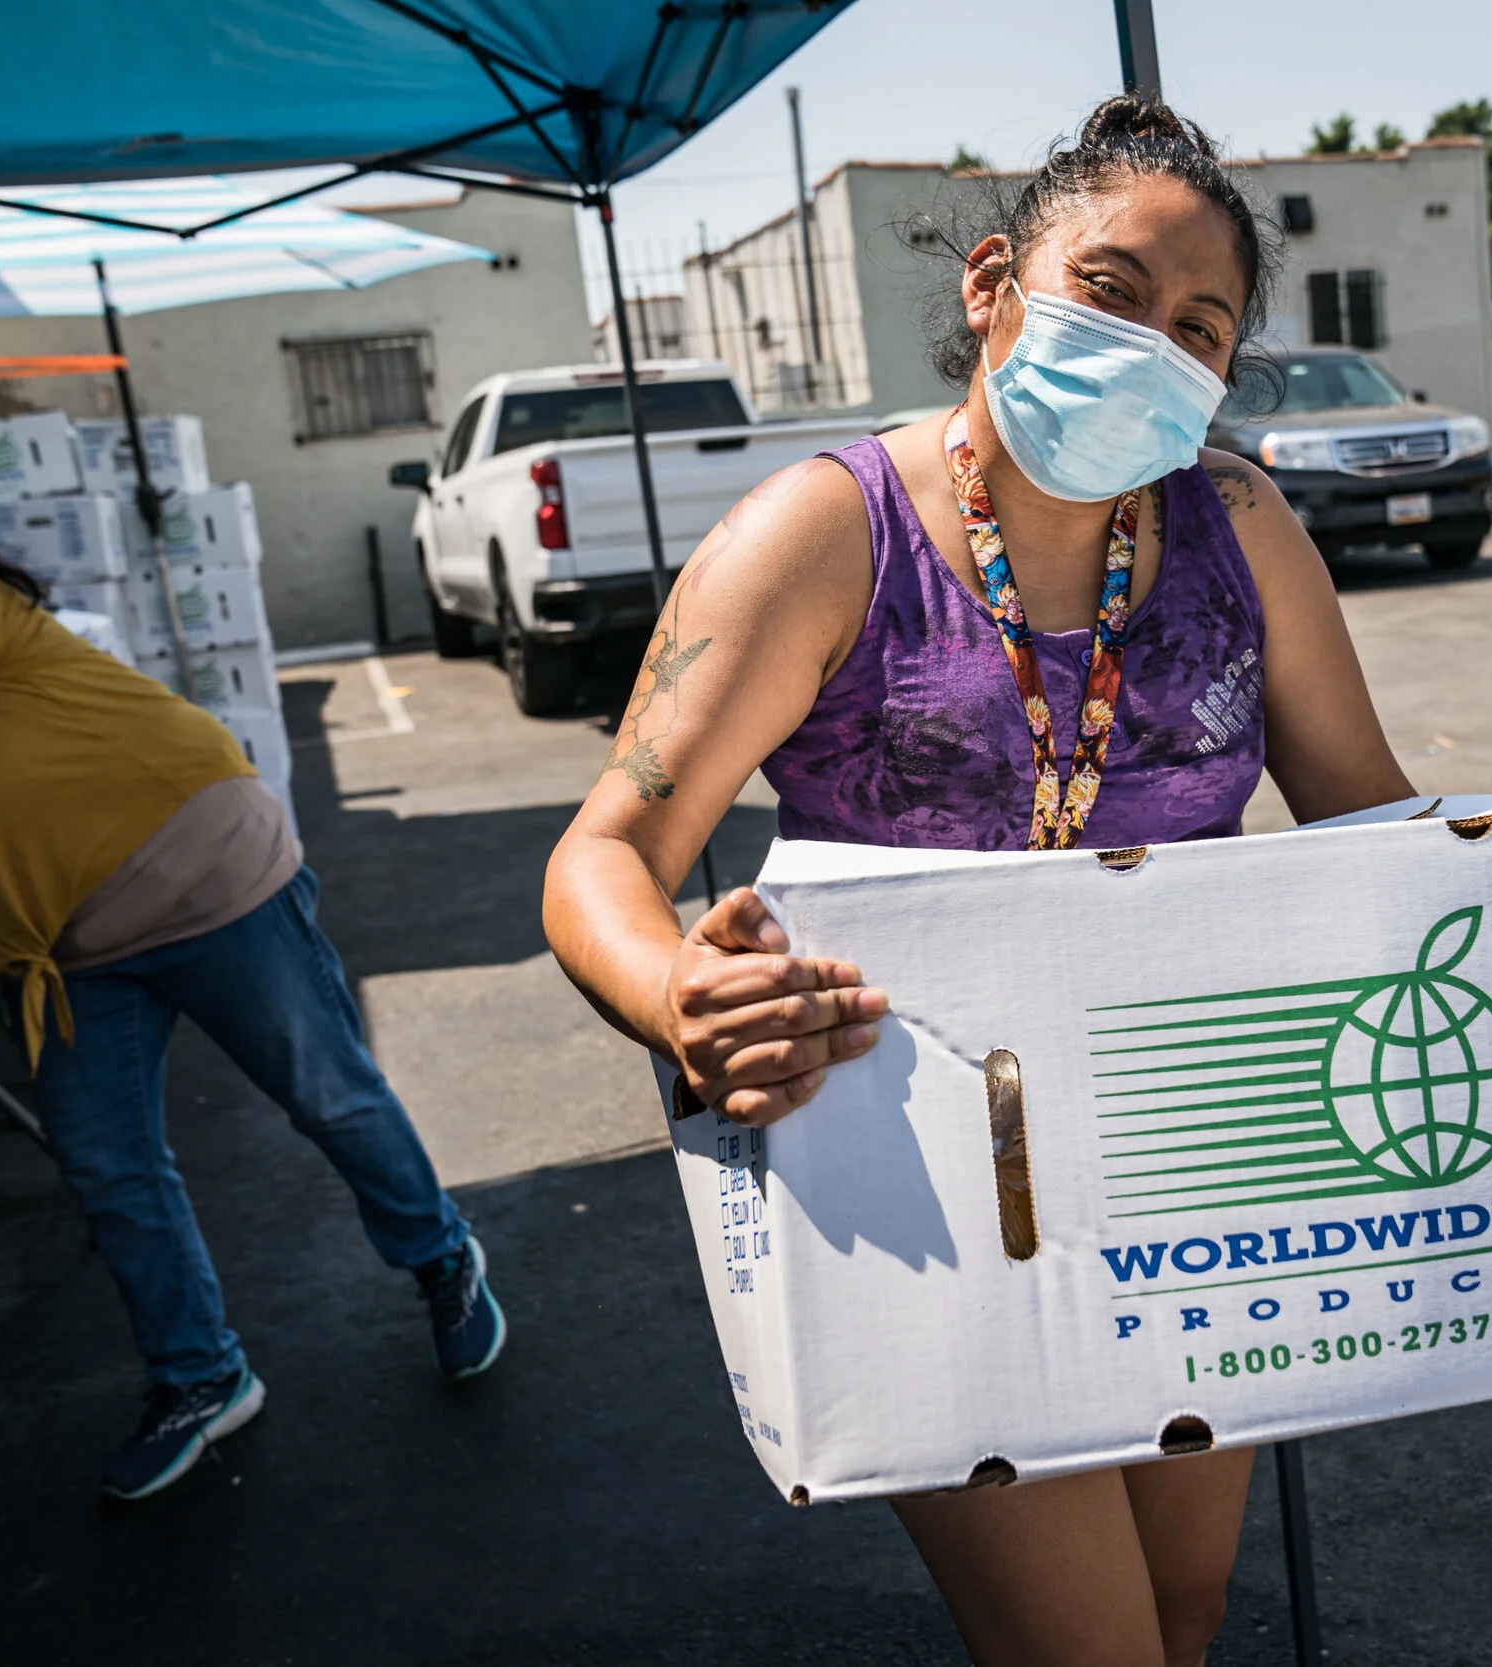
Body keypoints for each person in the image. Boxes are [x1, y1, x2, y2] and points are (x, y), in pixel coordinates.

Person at [545, 96, 1416, 1666]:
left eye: (1202, 326)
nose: (1156, 343)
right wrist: (678, 987)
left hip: (1197, 1169)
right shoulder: (823, 535)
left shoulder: (1239, 529)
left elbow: (1377, 820)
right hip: (925, 1190)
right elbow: (608, 850)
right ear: (994, 284)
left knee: (1187, 1609)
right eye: (1114, 291)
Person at [0, 464, 504, 1501]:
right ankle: (200, 1373)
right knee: (111, 1169)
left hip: (200, 870)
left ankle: (443, 1258)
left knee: (328, 1093)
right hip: (64, 946)